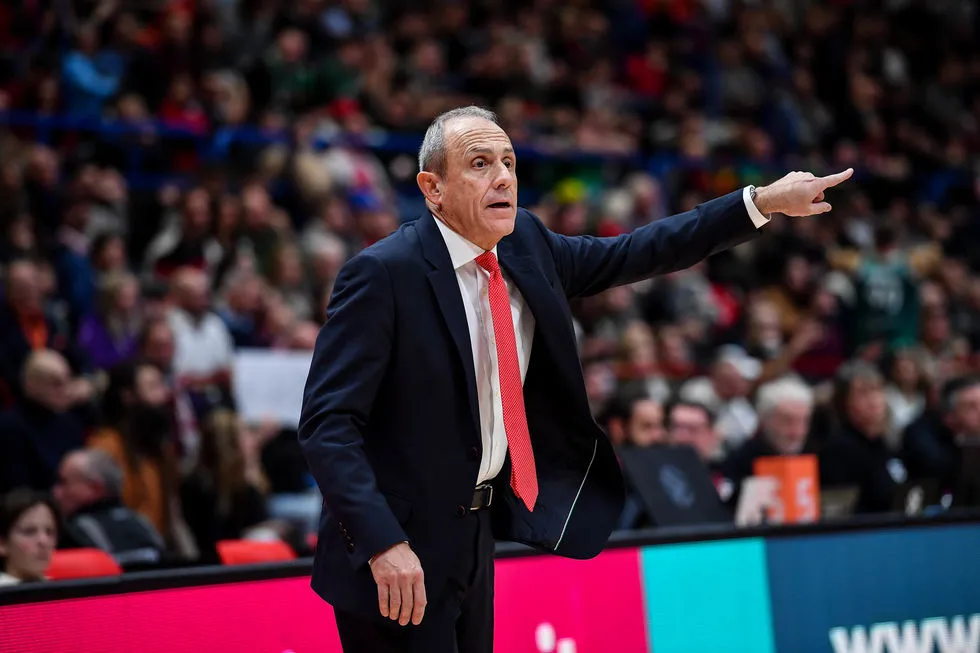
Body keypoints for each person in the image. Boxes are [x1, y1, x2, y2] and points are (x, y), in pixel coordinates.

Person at [298, 105, 852, 653]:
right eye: (480, 163)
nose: (503, 177)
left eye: (509, 162)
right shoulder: (383, 274)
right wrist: (382, 543)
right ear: (432, 188)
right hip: (394, 551)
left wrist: (760, 202)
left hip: (475, 531)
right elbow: (328, 425)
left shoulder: (527, 244)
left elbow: (640, 250)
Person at [53, 449, 166, 568]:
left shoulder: (74, 532)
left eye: (64, 483)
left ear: (96, 488)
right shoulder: (142, 522)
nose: (56, 492)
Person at [0, 489, 58, 586]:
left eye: (49, 532)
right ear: (2, 544)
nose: (44, 541)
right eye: (29, 532)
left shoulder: (67, 590)